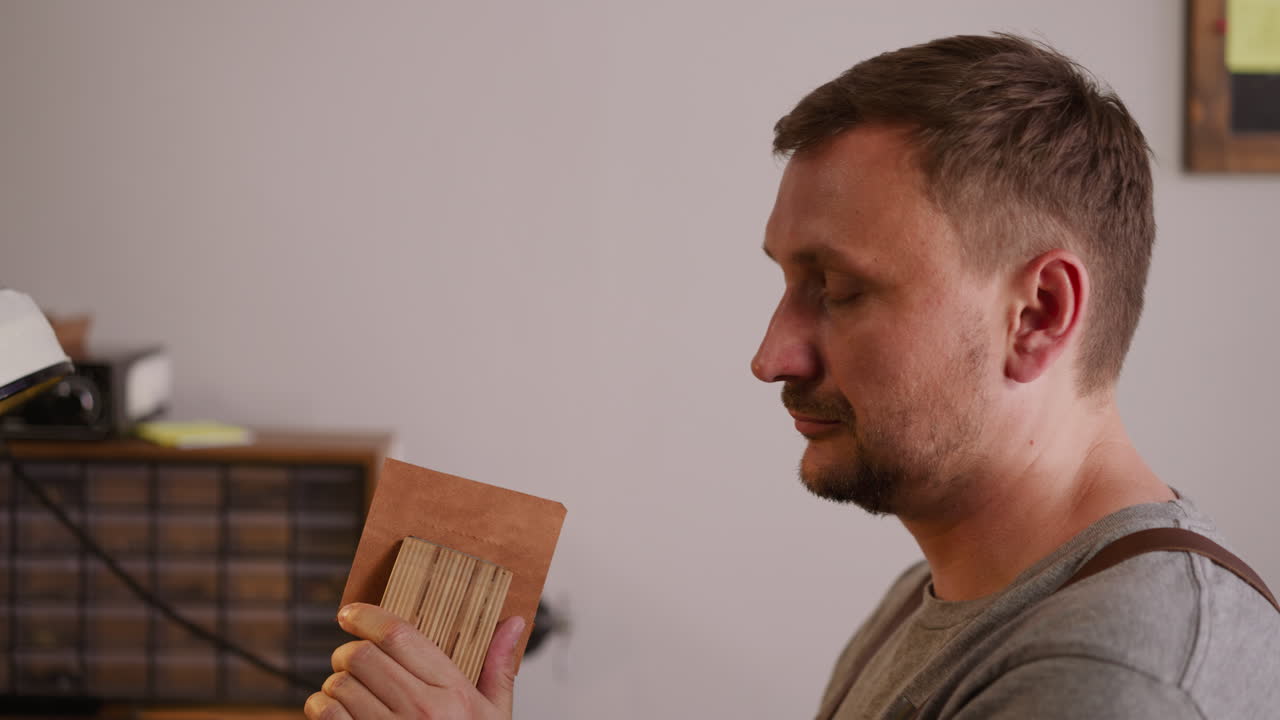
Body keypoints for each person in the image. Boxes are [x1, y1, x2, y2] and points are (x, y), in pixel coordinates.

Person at [304, 33, 1280, 720]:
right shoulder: (946, 590)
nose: (772, 353)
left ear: (1037, 316)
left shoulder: (1107, 682)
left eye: (836, 289)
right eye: (784, 282)